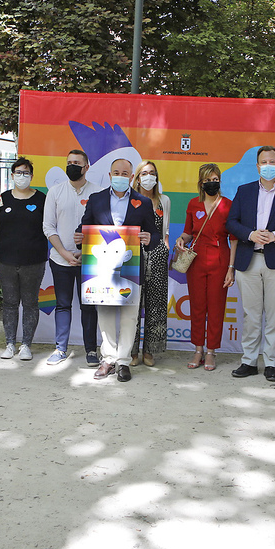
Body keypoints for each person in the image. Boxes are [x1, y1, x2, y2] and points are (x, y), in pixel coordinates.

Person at [226, 146, 275, 382]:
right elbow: (232, 222)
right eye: (264, 161)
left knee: (274, 316)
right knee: (251, 315)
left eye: (273, 161)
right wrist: (250, 234)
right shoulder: (244, 191)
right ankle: (249, 361)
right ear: (257, 166)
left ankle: (271, 363)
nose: (268, 165)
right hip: (248, 260)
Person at [76, 158, 161, 382]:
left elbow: (155, 234)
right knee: (104, 313)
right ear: (110, 174)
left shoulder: (142, 202)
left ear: (132, 177)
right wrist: (79, 237)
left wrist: (149, 238)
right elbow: (83, 228)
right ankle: (108, 359)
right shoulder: (96, 199)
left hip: (130, 268)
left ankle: (123, 361)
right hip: (102, 269)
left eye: (125, 173)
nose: (121, 176)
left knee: (129, 316)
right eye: (117, 172)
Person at [42, 149, 101, 366]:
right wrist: (65, 253)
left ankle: (91, 351)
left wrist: (85, 251)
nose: (72, 166)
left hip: (90, 260)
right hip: (60, 259)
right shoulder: (55, 192)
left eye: (77, 162)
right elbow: (48, 226)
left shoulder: (99, 193)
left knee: (88, 306)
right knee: (63, 304)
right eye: (69, 162)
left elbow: (104, 227)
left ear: (87, 167)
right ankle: (60, 349)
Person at [175, 164, 237, 372]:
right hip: (197, 260)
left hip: (220, 259)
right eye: (208, 180)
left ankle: (211, 351)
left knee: (217, 307)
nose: (212, 183)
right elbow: (187, 232)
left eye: (215, 179)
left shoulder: (228, 205)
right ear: (201, 183)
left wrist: (231, 268)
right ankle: (198, 349)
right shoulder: (194, 204)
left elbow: (234, 239)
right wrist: (181, 240)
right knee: (198, 306)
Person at [0, 157, 47, 361]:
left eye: (26, 173)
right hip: (5, 260)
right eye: (18, 172)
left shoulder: (41, 199)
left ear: (32, 176)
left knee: (30, 303)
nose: (22, 176)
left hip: (33, 260)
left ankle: (26, 344)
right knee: (9, 303)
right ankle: (9, 343)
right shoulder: (3, 198)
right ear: (12, 175)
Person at [130, 160, 171, 367]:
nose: (148, 177)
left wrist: (165, 251)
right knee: (133, 306)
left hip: (157, 258)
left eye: (152, 173)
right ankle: (132, 351)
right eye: (144, 173)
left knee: (156, 305)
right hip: (133, 258)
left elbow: (165, 232)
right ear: (137, 177)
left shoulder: (164, 200)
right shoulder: (130, 200)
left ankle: (150, 350)